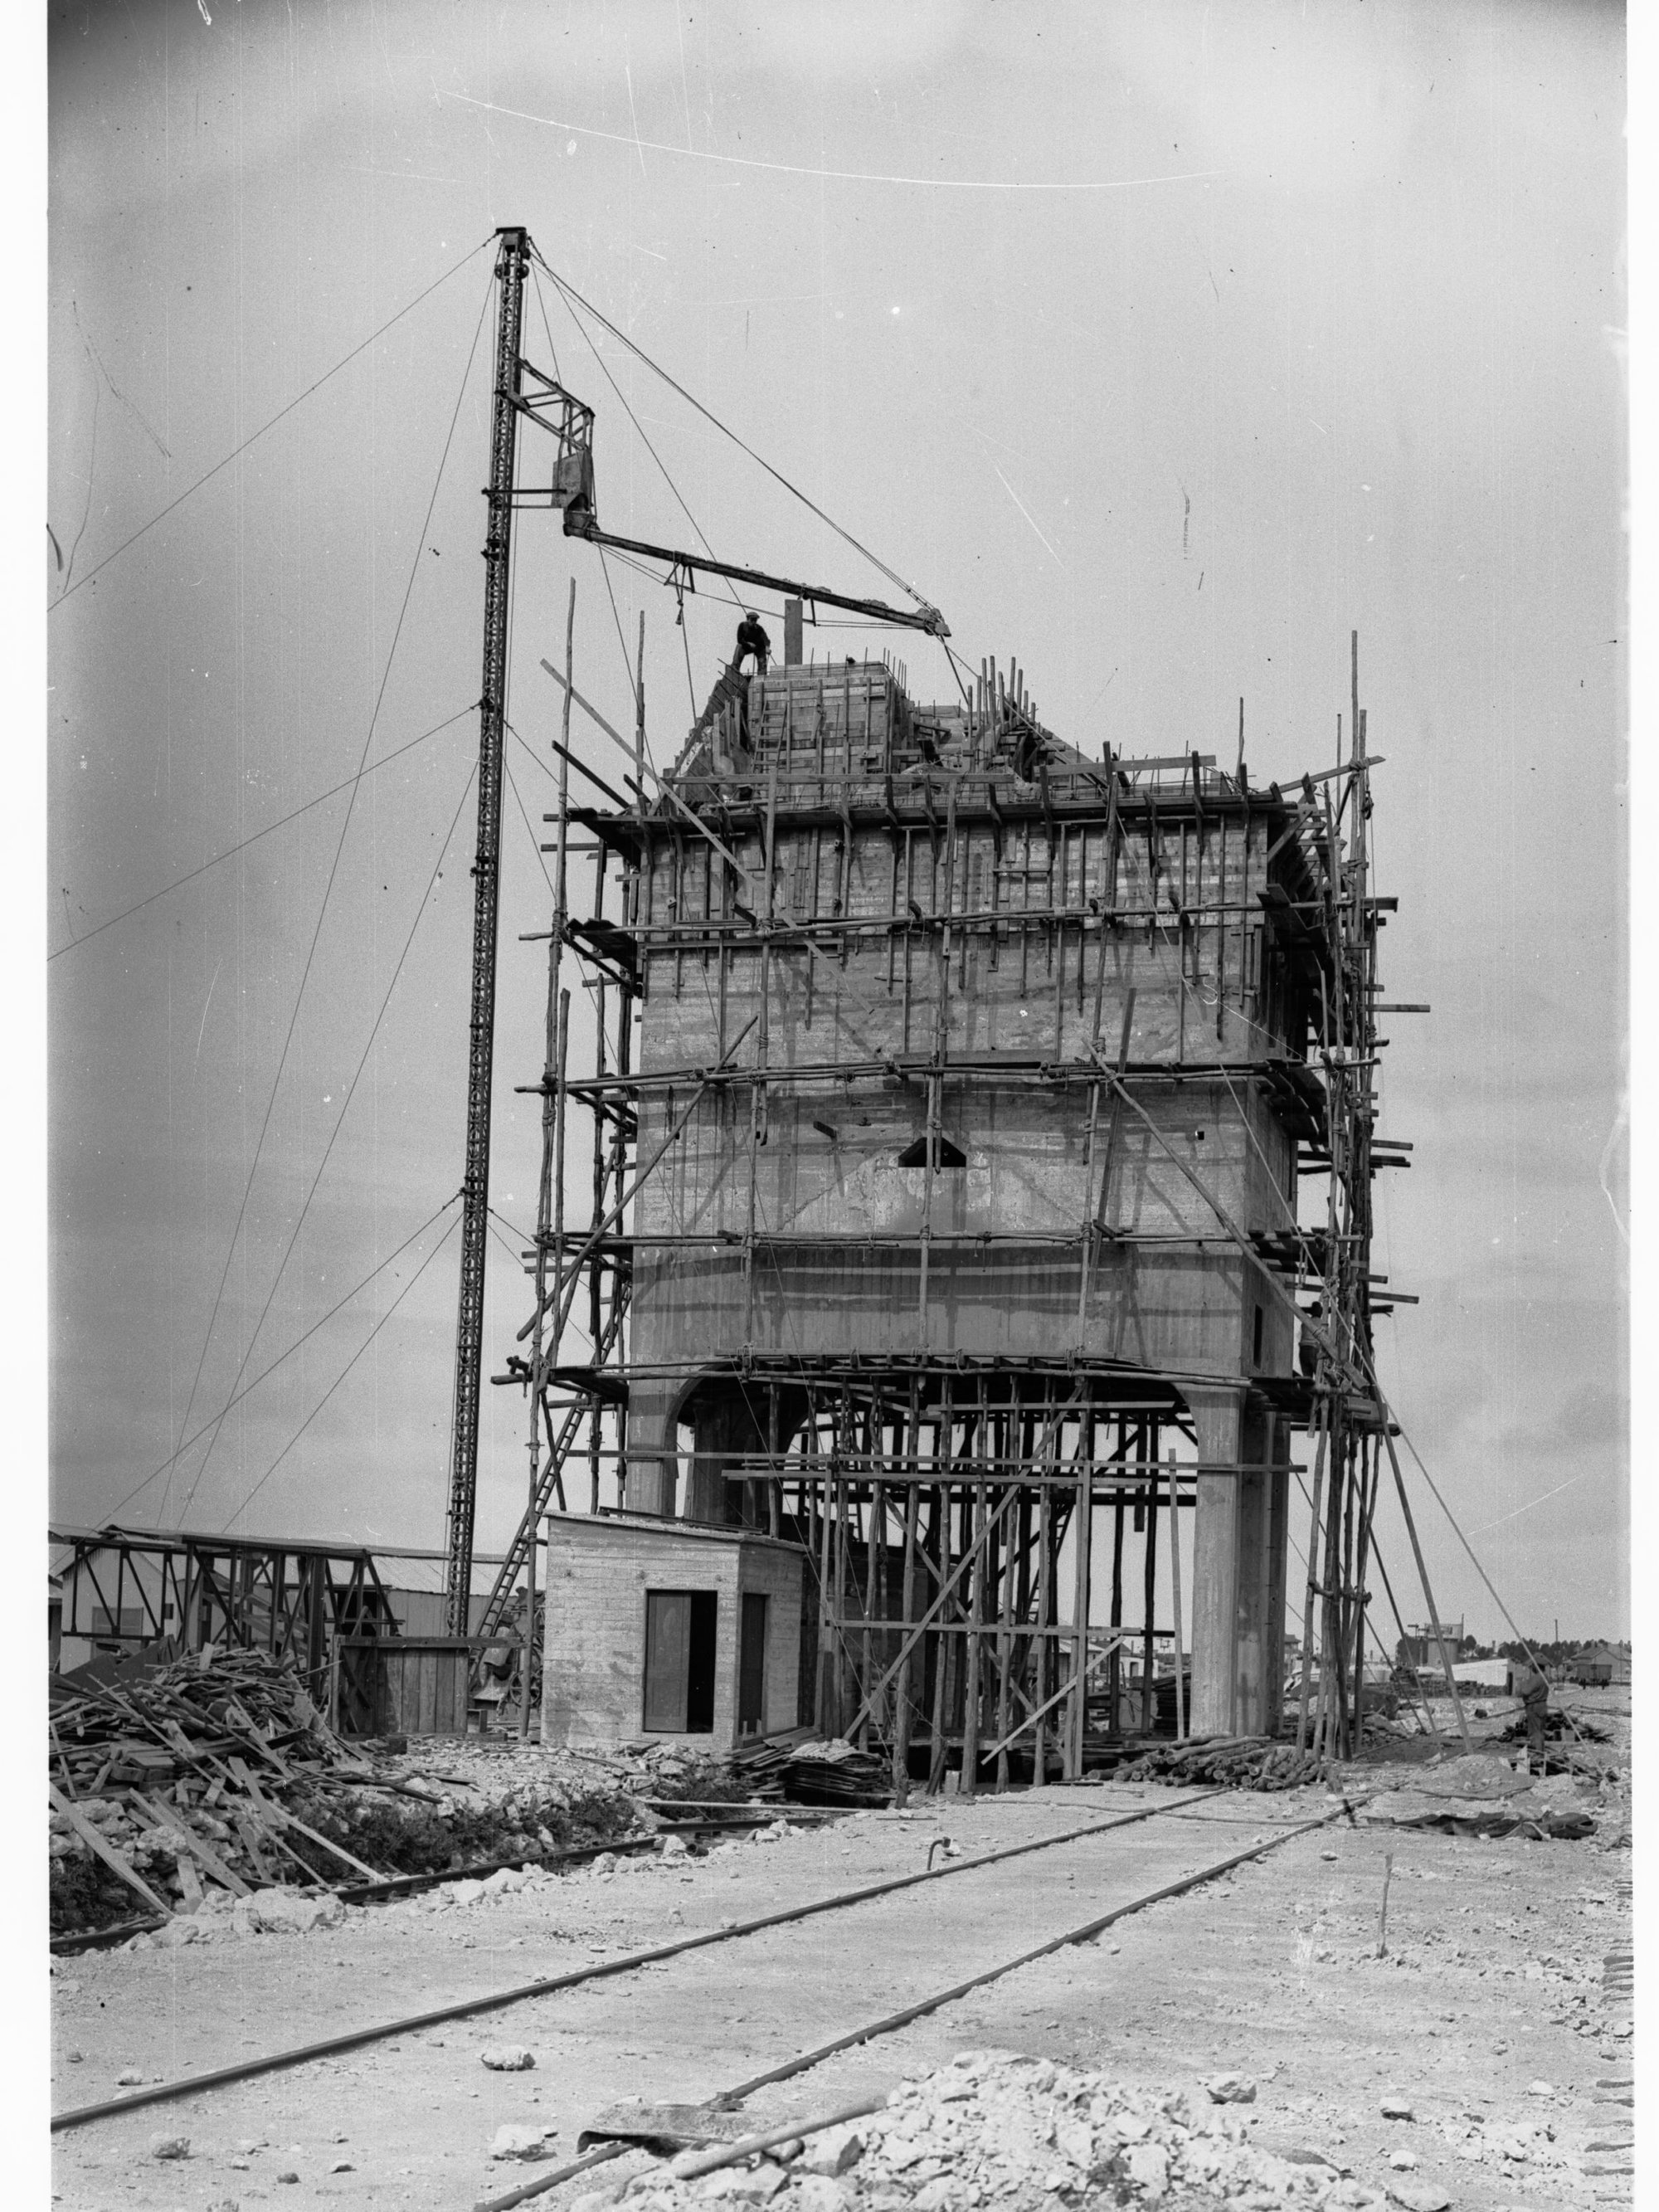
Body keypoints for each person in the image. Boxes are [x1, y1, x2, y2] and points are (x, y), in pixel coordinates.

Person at [1507, 1651, 1550, 1771]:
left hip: (1534, 1707)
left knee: (1535, 1732)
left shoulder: (1537, 1678)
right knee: (1540, 1731)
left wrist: (1521, 1684)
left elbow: (1525, 1691)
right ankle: (1539, 1752)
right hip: (1542, 1705)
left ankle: (1538, 1755)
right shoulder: (1545, 1676)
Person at [731, 611, 771, 676]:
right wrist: (748, 644)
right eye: (752, 620)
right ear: (748, 619)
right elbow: (739, 639)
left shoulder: (759, 628)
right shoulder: (742, 626)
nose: (754, 622)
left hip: (757, 648)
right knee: (739, 646)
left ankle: (762, 674)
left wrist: (767, 647)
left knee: (762, 652)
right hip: (746, 646)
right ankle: (735, 668)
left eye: (755, 620)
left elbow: (766, 639)